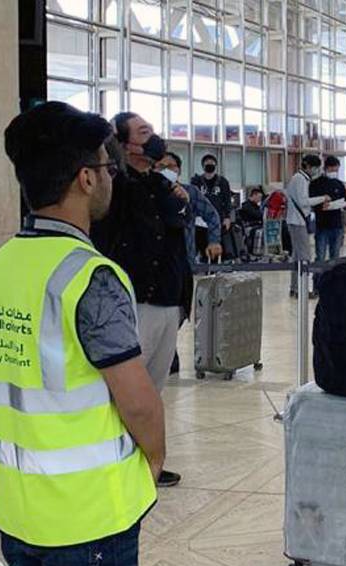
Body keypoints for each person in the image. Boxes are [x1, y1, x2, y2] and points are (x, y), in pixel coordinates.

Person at [0, 101, 164, 566]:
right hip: (90, 523)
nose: (112, 177)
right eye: (106, 166)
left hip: (20, 511)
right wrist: (154, 458)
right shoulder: (89, 277)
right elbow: (137, 398)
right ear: (85, 178)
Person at [92, 111, 188, 488]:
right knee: (129, 390)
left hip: (167, 300)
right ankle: (119, 464)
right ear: (125, 142)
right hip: (136, 301)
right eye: (144, 132)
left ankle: (146, 462)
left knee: (155, 388)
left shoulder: (163, 186)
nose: (154, 138)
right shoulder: (118, 188)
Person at [155, 152, 222, 264]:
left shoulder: (190, 192)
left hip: (184, 255)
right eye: (161, 167)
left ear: (179, 170)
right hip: (155, 256)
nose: (166, 170)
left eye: (171, 166)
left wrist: (214, 241)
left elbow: (211, 215)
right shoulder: (148, 193)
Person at [286, 154, 330, 297]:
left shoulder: (300, 178)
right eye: (316, 168)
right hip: (297, 222)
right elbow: (303, 202)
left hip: (296, 220)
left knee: (297, 256)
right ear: (310, 167)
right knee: (304, 257)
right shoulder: (300, 179)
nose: (317, 171)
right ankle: (302, 290)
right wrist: (322, 198)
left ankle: (295, 288)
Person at [191, 154, 235, 258]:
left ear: (215, 166)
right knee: (200, 243)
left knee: (216, 243)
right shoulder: (196, 181)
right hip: (199, 219)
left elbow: (227, 200)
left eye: (212, 164)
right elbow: (192, 199)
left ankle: (215, 266)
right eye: (207, 164)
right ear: (203, 166)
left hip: (217, 218)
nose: (210, 166)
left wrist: (227, 217)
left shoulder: (223, 182)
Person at [310, 155, 346, 263]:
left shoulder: (339, 184)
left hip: (336, 225)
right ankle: (318, 279)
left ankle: (333, 278)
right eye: (333, 169)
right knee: (320, 256)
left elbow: (345, 199)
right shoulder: (315, 183)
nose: (335, 172)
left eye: (336, 170)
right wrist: (321, 205)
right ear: (326, 168)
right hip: (322, 225)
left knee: (335, 256)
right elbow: (311, 201)